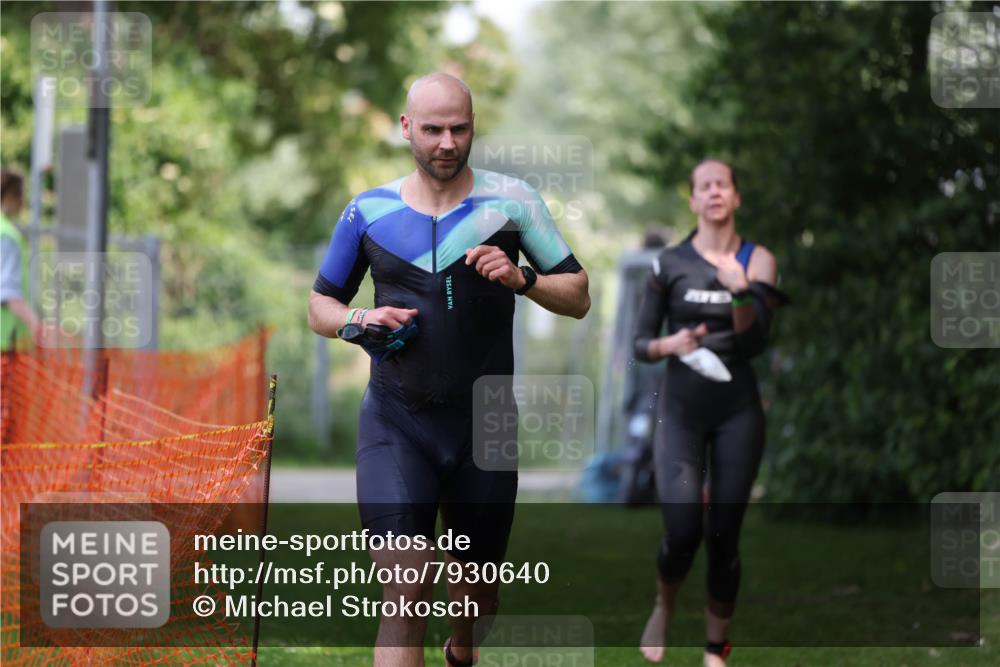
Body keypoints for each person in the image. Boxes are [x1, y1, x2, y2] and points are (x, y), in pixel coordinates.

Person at [308, 72, 590, 667]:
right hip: (395, 422)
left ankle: (462, 652)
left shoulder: (511, 203)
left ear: (473, 128)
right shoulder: (368, 212)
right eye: (432, 128)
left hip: (485, 427)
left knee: (475, 603)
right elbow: (319, 306)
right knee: (406, 590)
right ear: (406, 128)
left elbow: (579, 295)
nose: (446, 142)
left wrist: (524, 279)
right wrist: (357, 321)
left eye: (458, 128)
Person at [633, 159, 787, 666]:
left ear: (736, 197)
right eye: (705, 186)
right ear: (694, 200)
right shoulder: (669, 263)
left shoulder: (758, 259)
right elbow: (640, 343)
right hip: (680, 410)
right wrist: (670, 344)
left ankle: (715, 650)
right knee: (682, 531)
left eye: (723, 184)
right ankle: (663, 604)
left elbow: (756, 341)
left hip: (737, 411)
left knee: (724, 535)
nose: (715, 192)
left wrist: (740, 288)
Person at [1, 169, 42, 352]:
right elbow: (7, 292)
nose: (22, 202)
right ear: (8, 195)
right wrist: (37, 325)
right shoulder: (7, 235)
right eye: (19, 194)